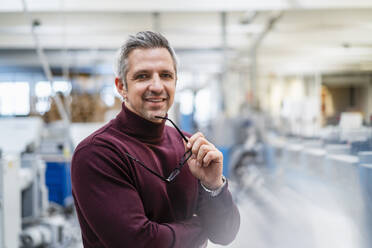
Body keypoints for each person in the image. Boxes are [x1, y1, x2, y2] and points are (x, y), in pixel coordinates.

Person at [71, 31, 240, 248]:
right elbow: (141, 243)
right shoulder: (98, 154)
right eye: (142, 76)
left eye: (166, 75)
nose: (157, 86)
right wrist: (200, 228)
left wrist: (213, 186)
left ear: (175, 82)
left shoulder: (188, 147)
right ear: (121, 86)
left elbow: (225, 234)